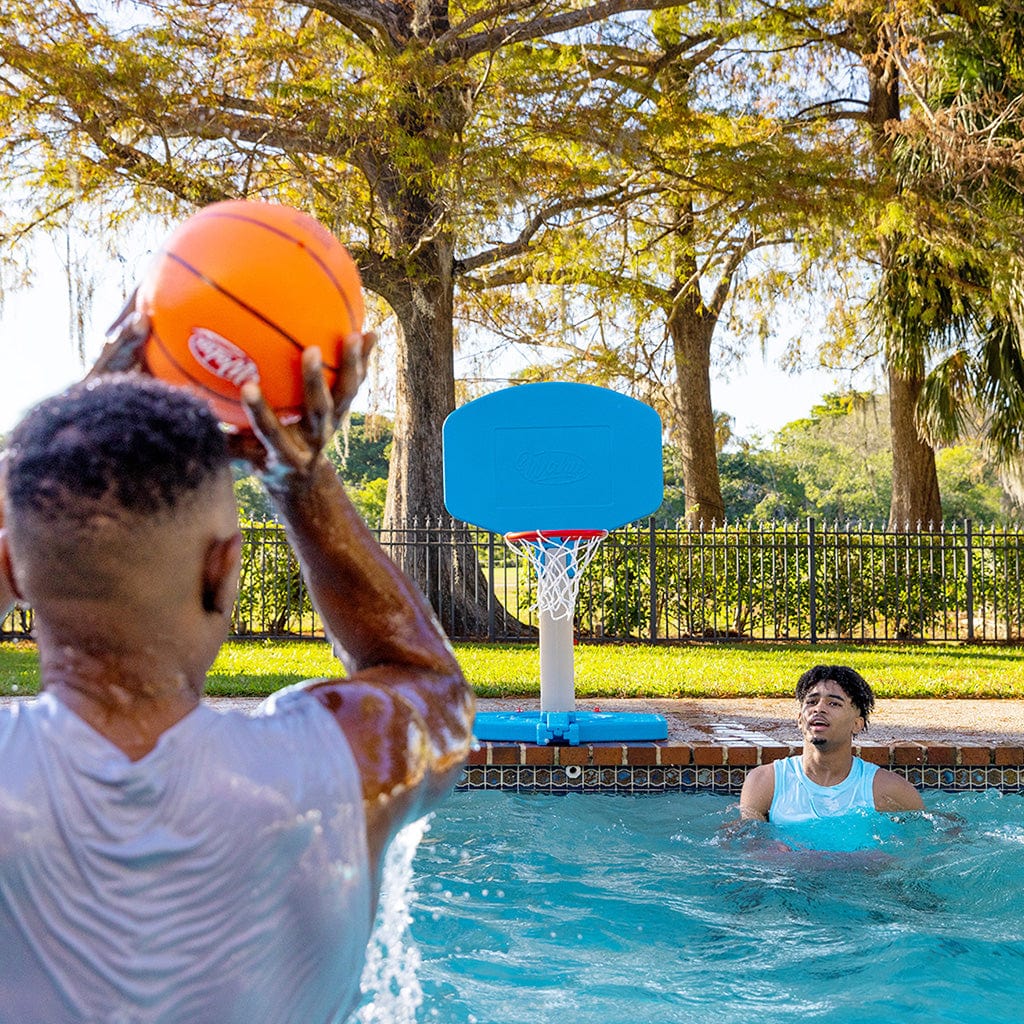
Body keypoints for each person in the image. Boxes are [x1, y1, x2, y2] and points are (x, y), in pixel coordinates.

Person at [0, 316, 474, 1023]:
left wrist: (58, 437)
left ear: (12, 570)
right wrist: (301, 480)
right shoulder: (338, 766)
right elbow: (432, 687)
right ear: (224, 568)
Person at [739, 665, 923, 822]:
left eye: (834, 704)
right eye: (811, 702)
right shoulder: (765, 782)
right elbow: (749, 844)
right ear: (800, 720)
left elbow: (926, 842)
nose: (819, 709)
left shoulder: (888, 789)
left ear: (857, 724)